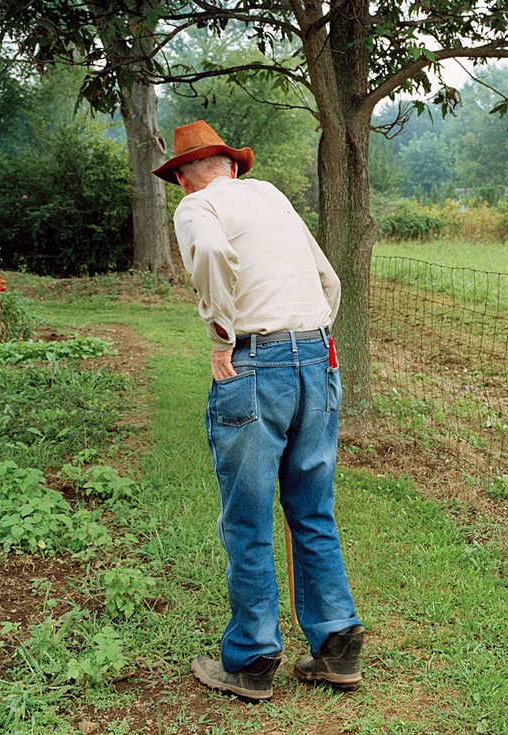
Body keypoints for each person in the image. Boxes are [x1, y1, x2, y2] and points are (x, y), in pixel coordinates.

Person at [151, 120, 364, 700]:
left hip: (257, 363)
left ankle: (250, 659)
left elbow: (215, 252)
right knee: (312, 506)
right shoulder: (270, 196)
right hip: (316, 356)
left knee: (247, 518)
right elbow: (328, 277)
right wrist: (315, 339)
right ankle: (337, 645)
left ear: (184, 179)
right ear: (233, 166)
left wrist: (222, 335)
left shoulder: (196, 210)